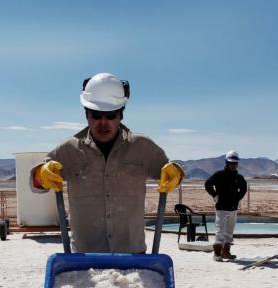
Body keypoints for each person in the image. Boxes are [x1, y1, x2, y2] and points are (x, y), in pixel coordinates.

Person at [30, 73, 184, 253]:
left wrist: (177, 173)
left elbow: (171, 173)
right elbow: (35, 185)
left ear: (121, 115)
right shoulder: (68, 150)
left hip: (133, 256)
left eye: (110, 115)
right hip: (84, 259)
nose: (103, 122)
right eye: (96, 115)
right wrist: (40, 174)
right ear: (86, 114)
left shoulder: (143, 148)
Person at [204, 150, 247, 261]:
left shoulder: (239, 177)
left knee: (229, 232)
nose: (233, 165)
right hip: (222, 208)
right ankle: (217, 253)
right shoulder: (219, 175)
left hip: (233, 209)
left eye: (235, 163)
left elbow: (243, 188)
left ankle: (226, 252)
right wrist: (214, 195)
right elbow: (208, 184)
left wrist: (237, 198)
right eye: (231, 163)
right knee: (220, 231)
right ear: (226, 163)